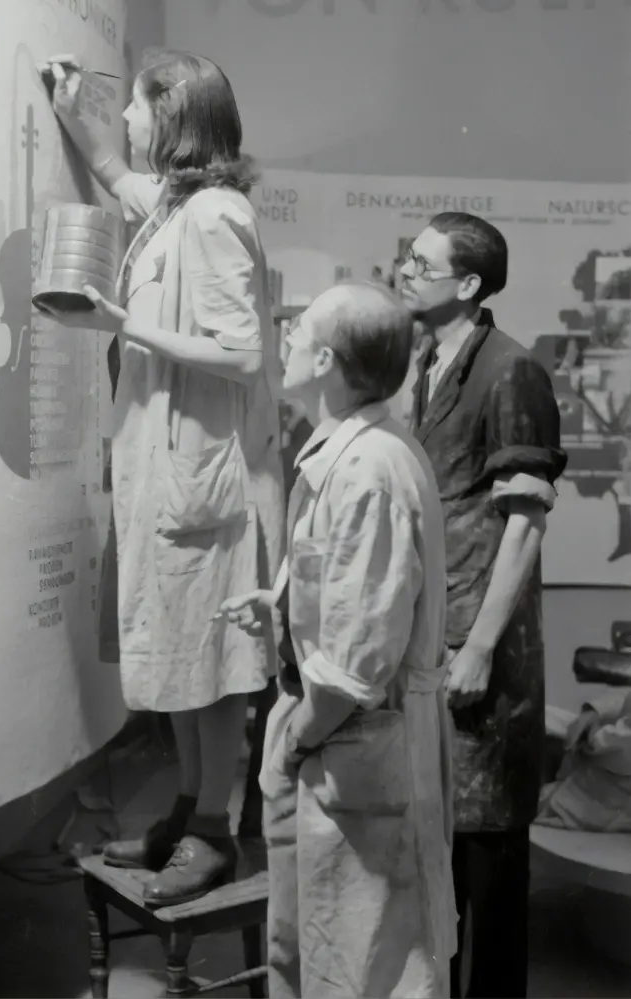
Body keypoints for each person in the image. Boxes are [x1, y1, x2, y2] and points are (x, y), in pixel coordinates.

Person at [41, 52, 285, 905]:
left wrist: (121, 323)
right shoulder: (178, 206)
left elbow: (240, 351)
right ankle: (188, 809)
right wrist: (74, 109)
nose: (130, 124)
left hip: (199, 483)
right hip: (162, 474)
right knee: (174, 658)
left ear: (172, 112)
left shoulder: (216, 214)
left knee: (209, 664)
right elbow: (115, 175)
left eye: (138, 108)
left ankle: (216, 826)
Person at [219, 282, 456, 998]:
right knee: (320, 956)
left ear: (325, 358)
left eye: (296, 336)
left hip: (351, 748)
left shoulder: (366, 470)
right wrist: (286, 602)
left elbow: (357, 665)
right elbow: (354, 596)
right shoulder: (349, 453)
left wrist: (295, 741)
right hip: (338, 746)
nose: (284, 345)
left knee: (364, 969)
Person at [399, 212, 568, 998]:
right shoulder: (429, 364)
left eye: (420, 263)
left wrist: (479, 646)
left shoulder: (510, 371)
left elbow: (525, 526)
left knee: (490, 878)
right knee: (444, 877)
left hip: (483, 659)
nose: (404, 270)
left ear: (466, 284)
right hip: (439, 642)